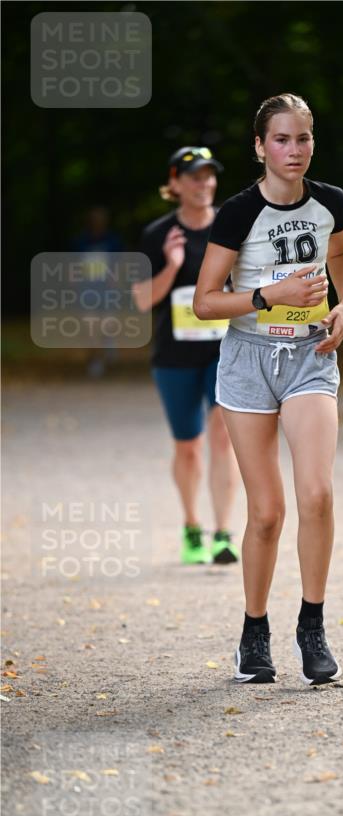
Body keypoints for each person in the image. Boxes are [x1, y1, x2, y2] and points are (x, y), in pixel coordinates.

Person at [194, 93, 343, 686]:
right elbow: (204, 301)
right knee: (267, 512)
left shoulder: (331, 202)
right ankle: (253, 630)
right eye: (282, 140)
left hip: (310, 356)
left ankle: (311, 626)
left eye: (304, 138)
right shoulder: (238, 213)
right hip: (248, 360)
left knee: (317, 494)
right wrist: (270, 296)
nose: (295, 150)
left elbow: (341, 254)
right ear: (260, 147)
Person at [133, 147, 241, 564]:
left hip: (225, 350)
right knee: (188, 446)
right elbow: (143, 300)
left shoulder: (232, 227)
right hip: (175, 356)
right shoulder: (158, 234)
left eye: (209, 176)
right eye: (194, 176)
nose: (204, 184)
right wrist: (172, 264)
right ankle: (192, 526)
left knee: (222, 437)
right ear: (174, 184)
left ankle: (223, 533)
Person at [71, 206, 124, 378]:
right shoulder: (80, 242)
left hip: (107, 289)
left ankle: (108, 341)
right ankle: (95, 359)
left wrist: (116, 281)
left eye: (101, 220)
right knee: (90, 325)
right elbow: (72, 266)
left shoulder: (113, 241)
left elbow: (120, 264)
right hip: (87, 289)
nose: (98, 223)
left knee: (107, 322)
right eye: (95, 220)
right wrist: (74, 281)